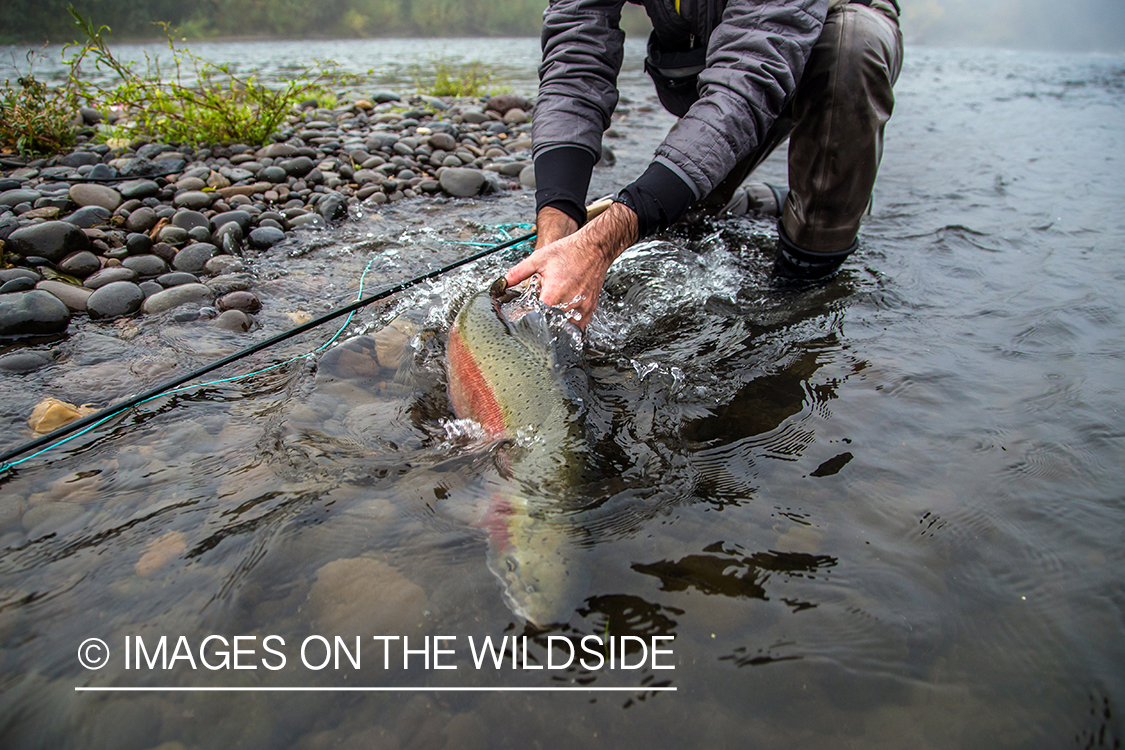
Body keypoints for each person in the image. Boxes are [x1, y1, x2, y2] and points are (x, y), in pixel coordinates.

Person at [503, 0, 903, 328]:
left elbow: (747, 80)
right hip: (720, 65)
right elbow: (574, 68)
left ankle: (805, 285)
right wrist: (556, 223)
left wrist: (606, 238)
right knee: (679, 217)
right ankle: (764, 201)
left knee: (850, 47)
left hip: (820, 45)